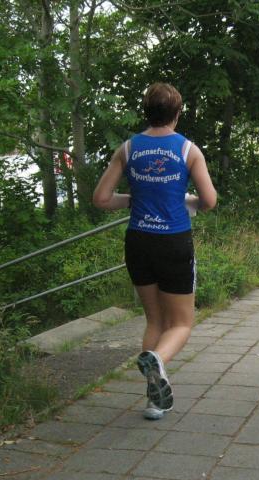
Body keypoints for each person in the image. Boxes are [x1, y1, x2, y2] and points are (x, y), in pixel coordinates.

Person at [93, 82, 217, 420]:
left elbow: (101, 199)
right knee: (182, 324)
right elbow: (209, 201)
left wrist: (134, 200)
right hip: (173, 242)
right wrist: (186, 201)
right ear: (177, 113)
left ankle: (154, 400)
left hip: (139, 242)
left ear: (146, 112)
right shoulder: (188, 150)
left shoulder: (128, 148)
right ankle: (159, 361)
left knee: (155, 320)